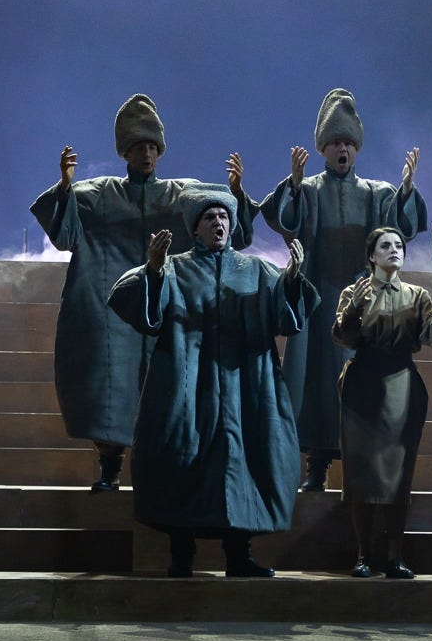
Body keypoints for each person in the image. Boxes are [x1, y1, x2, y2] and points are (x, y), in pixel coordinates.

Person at [30, 94, 256, 492]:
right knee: (110, 385)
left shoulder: (178, 193)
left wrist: (235, 193)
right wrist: (65, 188)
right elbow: (65, 235)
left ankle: (166, 472)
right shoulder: (100, 194)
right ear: (125, 152)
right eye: (138, 147)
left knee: (168, 388)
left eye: (152, 146)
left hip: (165, 304)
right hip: (110, 308)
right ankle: (110, 468)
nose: (147, 154)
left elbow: (220, 221)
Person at [108, 189, 319, 578]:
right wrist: (153, 269)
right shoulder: (175, 268)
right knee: (181, 456)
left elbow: (287, 318)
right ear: (195, 229)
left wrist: (290, 280)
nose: (218, 223)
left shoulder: (256, 270)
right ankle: (181, 555)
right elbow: (133, 303)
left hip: (245, 387)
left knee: (245, 459)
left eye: (224, 217)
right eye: (209, 218)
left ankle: (239, 554)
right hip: (188, 385)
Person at [260, 88, 428, 492]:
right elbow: (283, 220)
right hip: (319, 302)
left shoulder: (375, 193)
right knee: (316, 385)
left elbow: (399, 231)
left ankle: (363, 475)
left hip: (363, 307)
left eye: (349, 144)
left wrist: (405, 191)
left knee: (364, 389)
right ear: (323, 147)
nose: (343, 150)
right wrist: (296, 186)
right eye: (336, 143)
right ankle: (316, 468)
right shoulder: (311, 189)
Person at [332, 228, 432, 580]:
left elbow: (431, 338)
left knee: (398, 476)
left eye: (399, 245)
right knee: (362, 473)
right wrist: (354, 307)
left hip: (402, 385)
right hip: (362, 384)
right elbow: (343, 336)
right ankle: (363, 555)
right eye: (385, 246)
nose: (394, 250)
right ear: (371, 255)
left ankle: (394, 556)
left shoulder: (416, 295)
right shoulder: (353, 292)